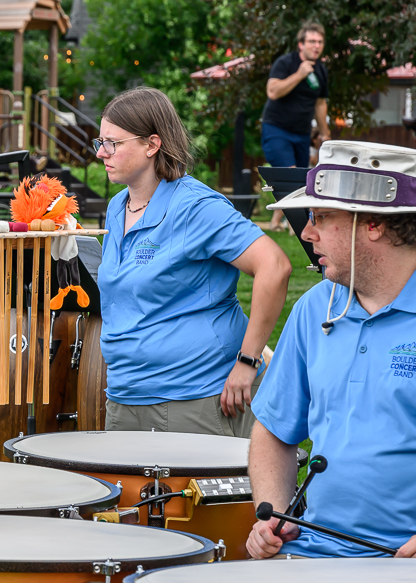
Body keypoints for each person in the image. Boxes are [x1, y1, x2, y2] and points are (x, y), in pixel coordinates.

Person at [246, 140, 416, 559]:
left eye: (321, 217)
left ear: (373, 223)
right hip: (312, 550)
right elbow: (273, 432)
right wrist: (273, 513)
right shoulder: (315, 307)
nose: (307, 233)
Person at [94, 87, 292, 436]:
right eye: (100, 141)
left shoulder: (196, 207)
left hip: (195, 397)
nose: (100, 153)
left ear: (152, 145)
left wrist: (248, 361)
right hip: (125, 396)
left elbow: (274, 266)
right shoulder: (117, 207)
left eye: (112, 143)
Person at [262, 21, 330, 232]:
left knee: (300, 182)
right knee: (290, 176)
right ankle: (299, 226)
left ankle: (281, 224)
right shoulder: (286, 63)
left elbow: (320, 103)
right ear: (301, 44)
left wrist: (325, 134)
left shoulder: (321, 71)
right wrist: (299, 74)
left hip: (302, 134)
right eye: (312, 41)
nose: (316, 46)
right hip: (276, 129)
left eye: (320, 42)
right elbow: (272, 91)